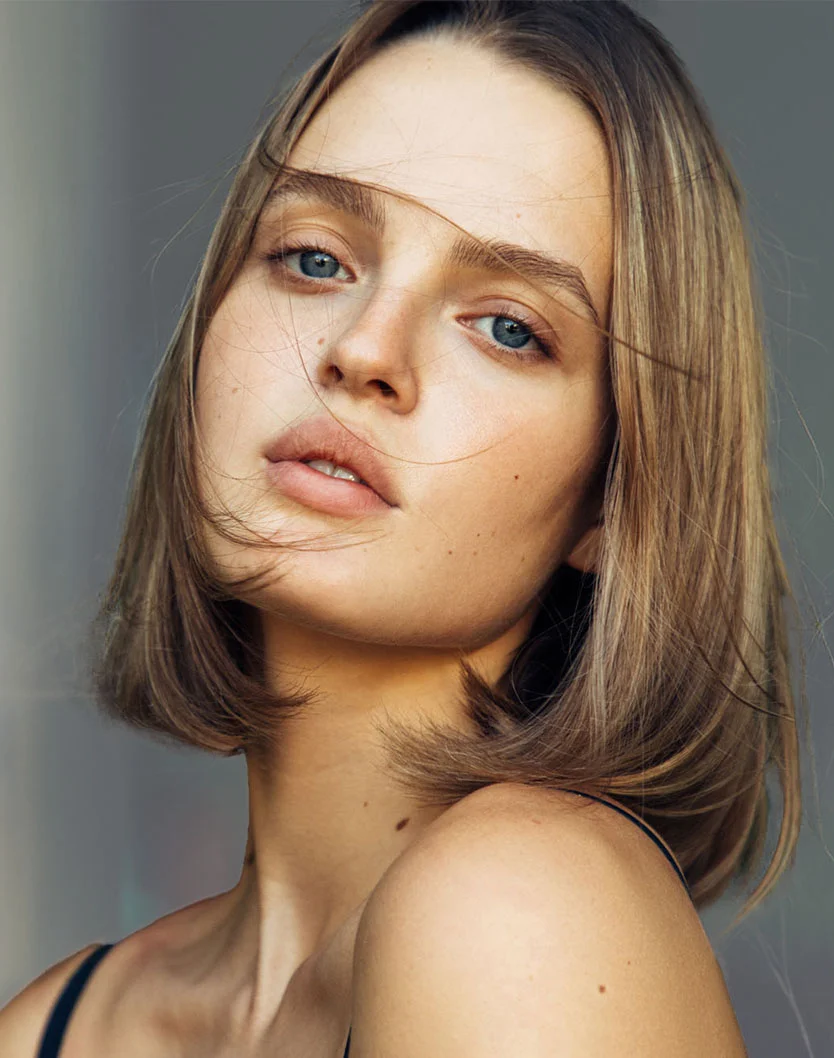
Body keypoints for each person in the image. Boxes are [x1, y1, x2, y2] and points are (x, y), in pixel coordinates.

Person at [1, 0, 803, 1054]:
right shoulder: (60, 1022)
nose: (365, 346)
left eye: (508, 326)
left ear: (613, 494)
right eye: (314, 257)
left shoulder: (523, 907)